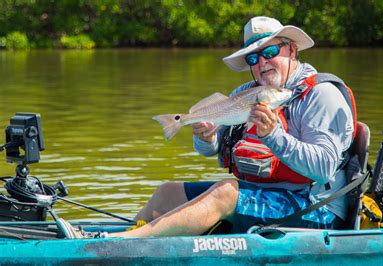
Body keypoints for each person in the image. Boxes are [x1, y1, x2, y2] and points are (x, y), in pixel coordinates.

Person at [58, 16, 356, 239]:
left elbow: (324, 169)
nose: (261, 63)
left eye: (269, 52)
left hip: (317, 210)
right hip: (264, 194)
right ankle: (127, 238)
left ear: (292, 50)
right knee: (167, 193)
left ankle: (120, 243)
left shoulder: (321, 95)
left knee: (225, 192)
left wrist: (274, 136)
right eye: (253, 58)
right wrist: (207, 136)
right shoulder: (248, 91)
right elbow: (216, 150)